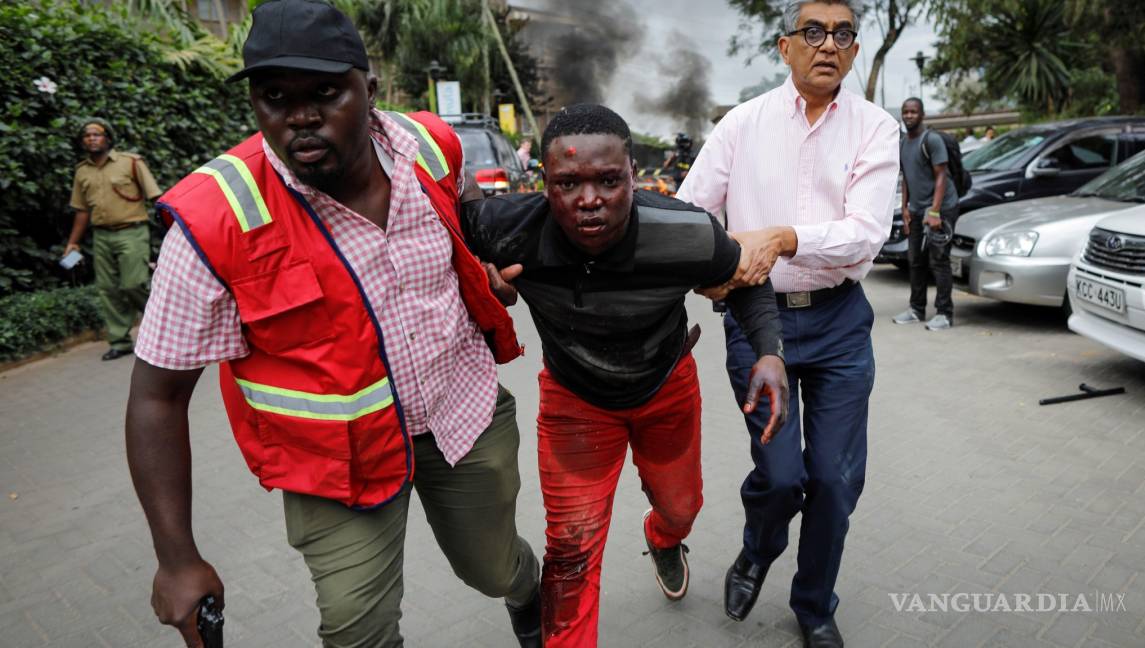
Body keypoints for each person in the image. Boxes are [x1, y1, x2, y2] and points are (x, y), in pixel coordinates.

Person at [124, 2, 541, 646]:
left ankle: (528, 595)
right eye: (274, 97)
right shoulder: (213, 220)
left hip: (463, 416)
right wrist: (176, 558)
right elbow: (156, 398)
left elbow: (468, 212)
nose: (299, 117)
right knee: (356, 630)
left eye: (324, 92)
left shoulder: (430, 145)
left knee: (492, 570)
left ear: (368, 91)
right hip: (335, 466)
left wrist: (481, 264)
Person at [462, 103, 789, 647]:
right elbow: (445, 222)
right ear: (544, 184)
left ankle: (663, 538)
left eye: (609, 180)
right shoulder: (508, 231)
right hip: (575, 404)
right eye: (568, 183)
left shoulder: (686, 231)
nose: (590, 199)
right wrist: (479, 275)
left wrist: (770, 353)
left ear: (633, 178)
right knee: (570, 552)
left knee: (683, 509)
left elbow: (746, 281)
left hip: (667, 392)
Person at [676, 1, 900, 646]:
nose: (827, 45)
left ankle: (814, 605)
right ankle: (758, 547)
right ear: (784, 47)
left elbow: (865, 235)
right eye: (813, 32)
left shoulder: (875, 129)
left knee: (833, 480)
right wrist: (706, 263)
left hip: (839, 325)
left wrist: (782, 237)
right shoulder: (741, 125)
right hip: (756, 322)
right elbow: (693, 214)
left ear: (854, 51)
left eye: (842, 35)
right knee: (781, 476)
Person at [66, 118, 163, 361]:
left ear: (107, 138)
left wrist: (173, 229)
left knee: (134, 283)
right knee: (107, 289)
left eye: (97, 134)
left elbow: (156, 197)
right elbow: (82, 210)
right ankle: (120, 342)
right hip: (101, 235)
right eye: (87, 135)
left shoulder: (130, 163)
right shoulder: (82, 171)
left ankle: (165, 323)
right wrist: (73, 243)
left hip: (132, 231)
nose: (91, 138)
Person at [892, 97, 959, 331]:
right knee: (915, 260)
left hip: (941, 208)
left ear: (922, 115)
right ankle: (916, 309)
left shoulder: (931, 140)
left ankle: (944, 313)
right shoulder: (902, 144)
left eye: (913, 112)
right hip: (917, 210)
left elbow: (942, 176)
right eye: (905, 111)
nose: (909, 115)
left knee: (938, 260)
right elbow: (907, 178)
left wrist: (935, 211)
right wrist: (905, 208)